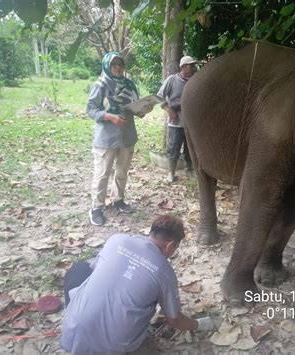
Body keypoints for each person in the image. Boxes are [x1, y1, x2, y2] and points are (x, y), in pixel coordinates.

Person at [61, 215, 216, 354]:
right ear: (170, 245)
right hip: (112, 348)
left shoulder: (117, 239)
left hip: (71, 332)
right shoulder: (165, 272)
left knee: (81, 269)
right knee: (151, 298)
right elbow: (174, 319)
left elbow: (94, 270)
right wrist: (199, 324)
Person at [87, 52, 139, 226]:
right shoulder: (100, 86)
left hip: (127, 136)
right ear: (107, 66)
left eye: (120, 64)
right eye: (114, 64)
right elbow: (90, 110)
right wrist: (109, 116)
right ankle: (96, 208)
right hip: (106, 139)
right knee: (102, 174)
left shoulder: (130, 85)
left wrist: (144, 109)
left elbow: (136, 107)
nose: (118, 68)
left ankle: (118, 200)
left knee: (122, 171)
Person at [157, 55, 197, 183]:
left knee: (189, 149)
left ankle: (189, 171)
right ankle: (171, 173)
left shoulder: (195, 80)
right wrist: (170, 111)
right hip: (176, 122)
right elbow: (159, 96)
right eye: (190, 65)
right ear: (183, 67)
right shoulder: (172, 80)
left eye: (193, 65)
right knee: (173, 148)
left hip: (191, 123)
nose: (193, 67)